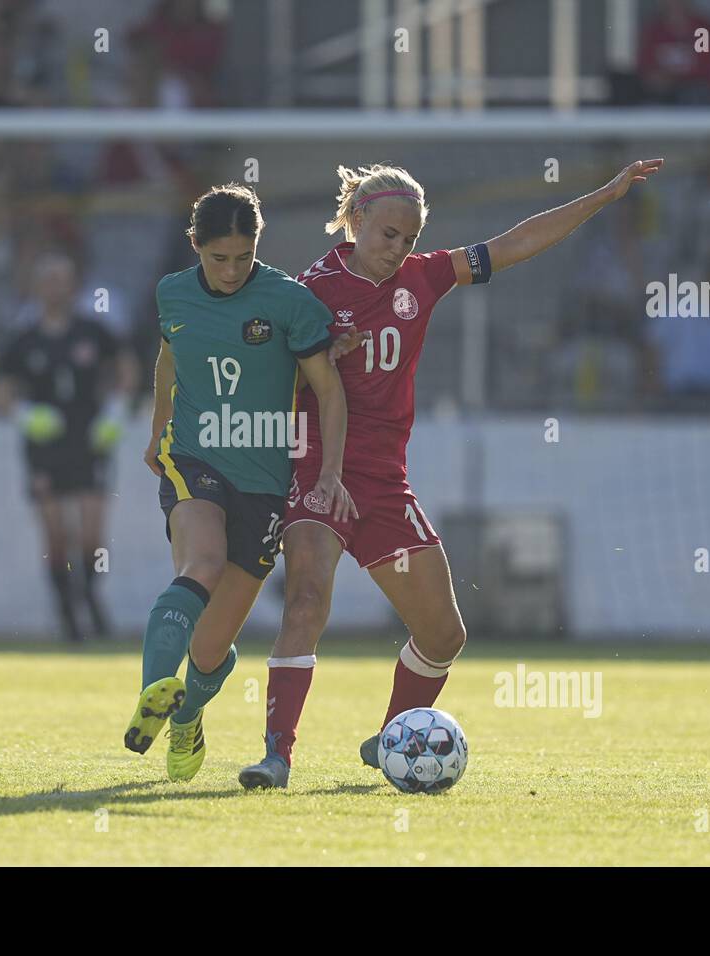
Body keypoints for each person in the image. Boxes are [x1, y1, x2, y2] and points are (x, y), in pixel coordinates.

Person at [239, 158, 663, 788]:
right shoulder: (312, 290)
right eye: (389, 235)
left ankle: (389, 739)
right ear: (355, 221)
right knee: (305, 597)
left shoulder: (425, 277)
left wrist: (602, 195)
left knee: (443, 633)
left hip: (384, 482)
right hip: (319, 470)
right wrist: (318, 358)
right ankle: (277, 754)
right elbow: (268, 377)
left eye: (409, 239)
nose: (399, 250)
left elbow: (513, 245)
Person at [124, 183, 357, 783]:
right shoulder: (171, 294)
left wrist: (329, 472)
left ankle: (184, 713)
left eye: (242, 257)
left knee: (210, 649)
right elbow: (169, 358)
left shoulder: (290, 301)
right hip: (194, 458)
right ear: (195, 246)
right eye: (217, 258)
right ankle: (154, 690)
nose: (230, 271)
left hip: (264, 481)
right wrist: (156, 432)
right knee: (200, 563)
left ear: (258, 246)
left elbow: (328, 390)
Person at [0, 252, 137, 642]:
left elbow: (126, 369)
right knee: (56, 531)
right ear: (37, 287)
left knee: (92, 530)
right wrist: (25, 416)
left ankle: (89, 595)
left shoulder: (94, 331)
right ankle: (66, 611)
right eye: (49, 279)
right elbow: (2, 391)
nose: (56, 288)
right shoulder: (23, 341)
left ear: (74, 286)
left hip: (89, 438)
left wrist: (115, 412)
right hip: (45, 445)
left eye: (63, 279)